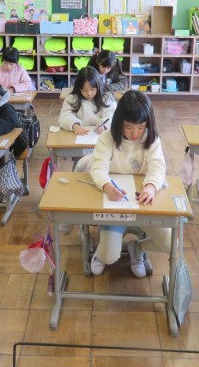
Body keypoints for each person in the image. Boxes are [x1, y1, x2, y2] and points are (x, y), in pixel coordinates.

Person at [89, 91, 169, 278]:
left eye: (141, 127)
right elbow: (98, 167)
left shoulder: (151, 138)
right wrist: (106, 185)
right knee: (109, 257)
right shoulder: (108, 138)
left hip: (142, 204)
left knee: (170, 243)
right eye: (129, 127)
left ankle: (138, 248)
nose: (135, 133)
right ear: (119, 122)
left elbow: (158, 167)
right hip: (116, 204)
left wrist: (150, 187)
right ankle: (101, 254)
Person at [59, 66, 116, 135]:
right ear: (79, 88)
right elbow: (65, 116)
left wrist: (104, 126)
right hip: (79, 135)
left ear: (98, 86)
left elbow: (111, 115)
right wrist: (75, 125)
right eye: (84, 90)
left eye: (93, 89)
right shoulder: (72, 98)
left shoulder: (107, 97)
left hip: (100, 135)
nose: (89, 93)